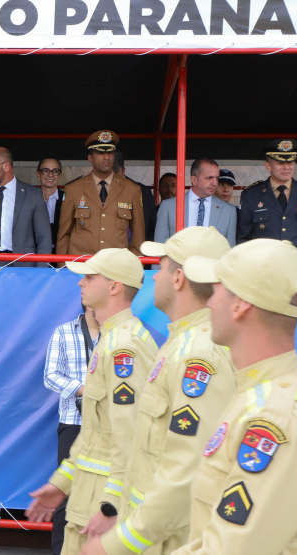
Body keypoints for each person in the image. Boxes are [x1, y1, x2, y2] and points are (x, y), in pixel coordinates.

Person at [84, 227, 236, 555]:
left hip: (175, 538)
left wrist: (121, 543)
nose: (153, 277)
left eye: (161, 266)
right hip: (160, 531)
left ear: (179, 278)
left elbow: (189, 468)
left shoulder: (199, 354)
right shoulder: (181, 342)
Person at [170, 239, 297, 554]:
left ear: (239, 305)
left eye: (218, 291)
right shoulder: (260, 394)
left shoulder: (276, 417)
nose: (210, 302)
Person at [27, 248, 158, 555]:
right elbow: (96, 434)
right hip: (88, 502)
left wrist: (111, 505)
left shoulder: (125, 347)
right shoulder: (112, 341)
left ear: (114, 287)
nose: (80, 283)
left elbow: (133, 435)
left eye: (89, 276)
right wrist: (62, 483)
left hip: (101, 508)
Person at [44, 306, 99, 555]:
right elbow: (50, 375)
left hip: (109, 423)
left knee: (104, 492)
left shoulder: (121, 334)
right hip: (73, 421)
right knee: (67, 493)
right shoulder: (64, 332)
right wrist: (84, 389)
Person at [56, 131, 146, 256]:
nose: (106, 157)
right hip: (80, 265)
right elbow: (63, 234)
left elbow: (138, 237)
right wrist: (64, 268)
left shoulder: (132, 189)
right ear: (90, 158)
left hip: (115, 267)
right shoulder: (73, 189)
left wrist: (134, 269)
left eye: (110, 153)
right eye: (100, 153)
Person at [236, 139, 297, 260]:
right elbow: (244, 238)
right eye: (280, 163)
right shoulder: (251, 195)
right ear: (268, 166)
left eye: (291, 163)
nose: (287, 167)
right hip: (264, 268)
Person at [156, 158, 236, 246]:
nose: (215, 183)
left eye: (216, 178)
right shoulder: (168, 206)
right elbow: (160, 246)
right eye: (209, 178)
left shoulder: (229, 211)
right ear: (194, 180)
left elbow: (230, 251)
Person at [114, 152, 158, 242]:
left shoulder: (143, 192)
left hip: (137, 250)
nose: (113, 182)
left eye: (116, 176)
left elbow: (151, 227)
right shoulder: (97, 190)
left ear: (123, 171)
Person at [37, 157, 65, 253]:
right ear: (38, 174)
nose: (51, 175)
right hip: (35, 255)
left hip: (61, 254)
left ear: (60, 175)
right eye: (45, 170)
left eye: (55, 171)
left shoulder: (68, 199)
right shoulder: (30, 198)